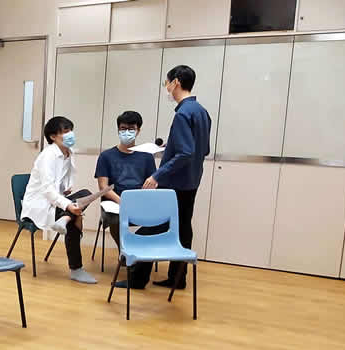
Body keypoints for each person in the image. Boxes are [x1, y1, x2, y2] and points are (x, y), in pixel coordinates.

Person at [122, 64, 211, 290]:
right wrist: (169, 149)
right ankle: (177, 278)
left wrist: (157, 175)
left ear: (176, 82)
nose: (167, 88)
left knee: (155, 225)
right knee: (183, 228)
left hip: (176, 183)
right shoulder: (201, 112)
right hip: (192, 180)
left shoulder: (183, 114)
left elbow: (185, 153)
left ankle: (137, 278)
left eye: (167, 83)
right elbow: (202, 150)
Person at [20, 116, 98, 284]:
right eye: (65, 131)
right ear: (53, 136)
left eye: (70, 130)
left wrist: (65, 192)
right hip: (39, 204)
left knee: (85, 194)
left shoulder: (68, 153)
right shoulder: (48, 156)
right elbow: (47, 190)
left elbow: (63, 183)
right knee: (75, 216)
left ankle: (65, 218)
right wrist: (68, 205)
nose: (70, 134)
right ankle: (76, 269)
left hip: (55, 200)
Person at [94, 110, 158, 253]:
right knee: (116, 220)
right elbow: (103, 187)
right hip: (115, 202)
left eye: (131, 129)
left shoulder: (146, 156)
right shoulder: (106, 156)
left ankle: (136, 249)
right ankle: (124, 252)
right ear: (118, 130)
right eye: (123, 129)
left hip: (139, 201)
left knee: (161, 218)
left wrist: (142, 197)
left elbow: (152, 184)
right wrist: (123, 202)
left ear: (138, 130)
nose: (127, 132)